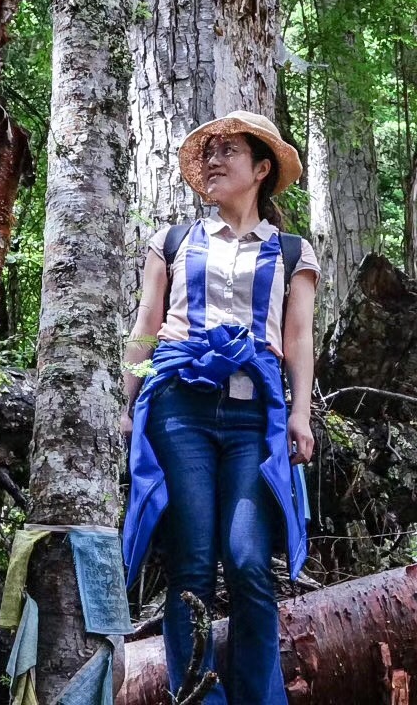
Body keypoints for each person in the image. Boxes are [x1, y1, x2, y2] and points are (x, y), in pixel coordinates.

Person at [120, 111, 318, 705]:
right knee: (195, 564)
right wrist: (129, 400)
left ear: (261, 169)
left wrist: (300, 415)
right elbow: (146, 326)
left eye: (226, 151)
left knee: (250, 562)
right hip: (179, 407)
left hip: (254, 414)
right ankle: (198, 699)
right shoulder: (174, 241)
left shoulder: (290, 251)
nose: (212, 161)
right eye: (206, 152)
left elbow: (300, 338)